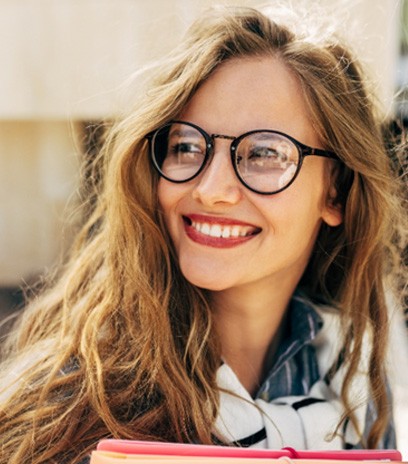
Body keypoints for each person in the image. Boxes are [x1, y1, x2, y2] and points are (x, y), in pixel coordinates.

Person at [0, 4, 406, 463]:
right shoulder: (72, 406)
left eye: (265, 153)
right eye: (188, 146)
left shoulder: (354, 387)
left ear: (335, 192)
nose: (210, 190)